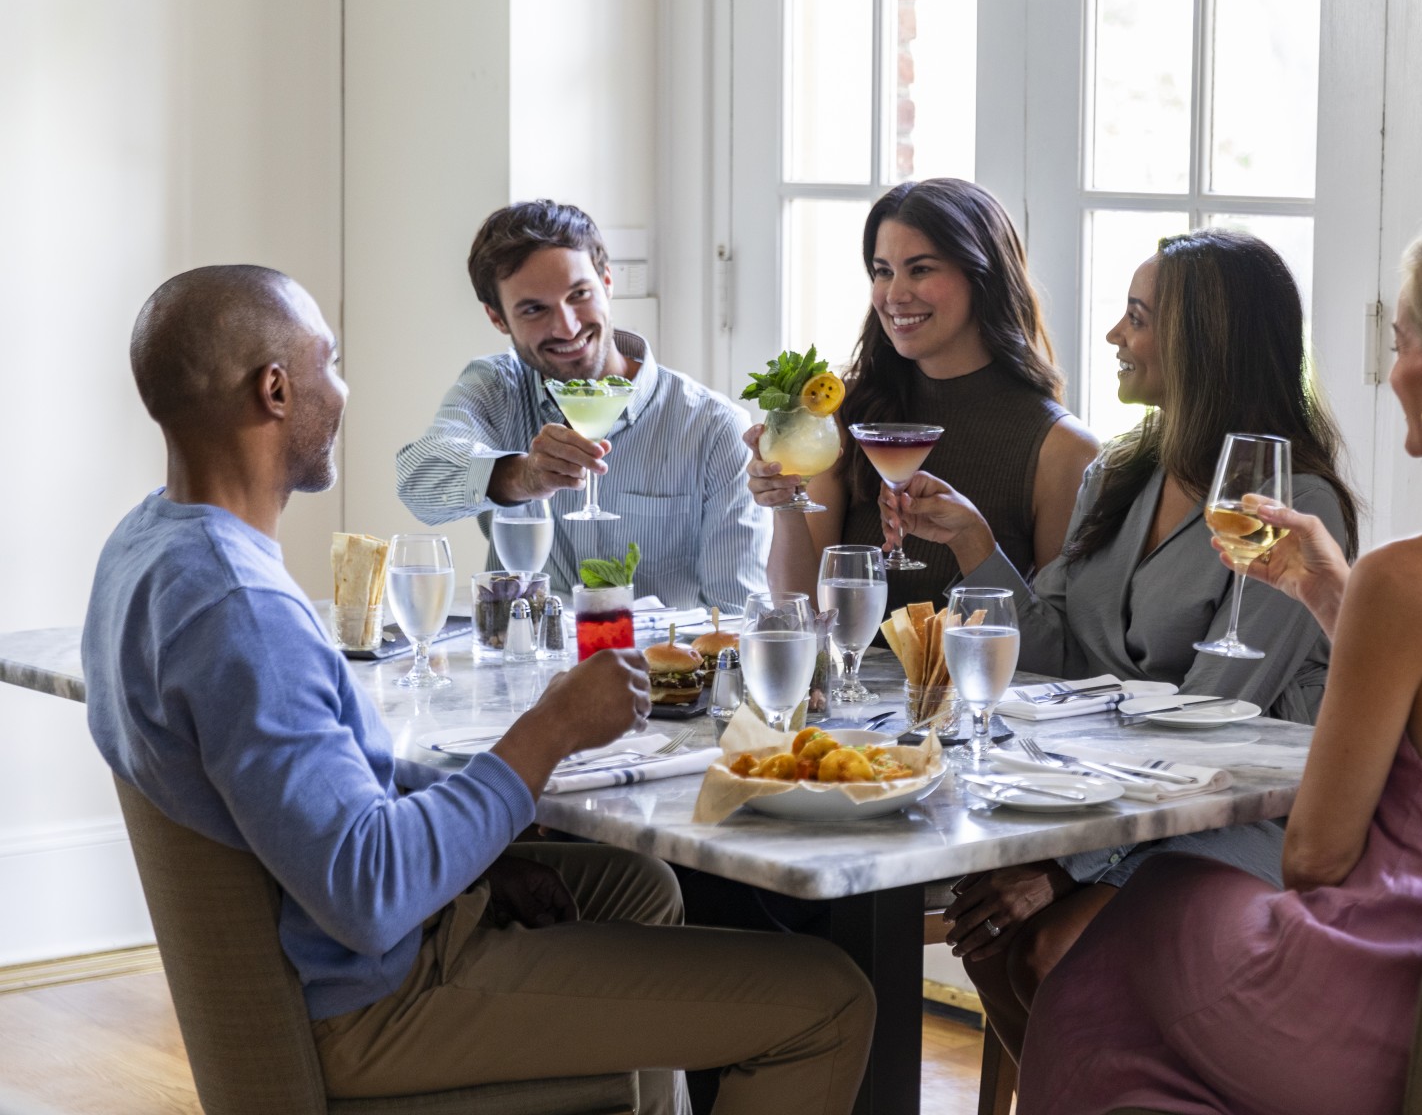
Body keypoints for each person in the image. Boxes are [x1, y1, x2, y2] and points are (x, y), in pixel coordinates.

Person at [88, 266, 873, 1113]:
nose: (344, 389)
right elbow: (367, 888)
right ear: (275, 391)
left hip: (339, 945)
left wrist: (490, 855)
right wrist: (550, 730)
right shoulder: (242, 610)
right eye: (333, 361)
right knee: (828, 1002)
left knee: (639, 886)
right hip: (376, 998)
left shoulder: (150, 545)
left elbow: (324, 815)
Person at [1018, 223, 1422, 1115]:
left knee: (1121, 944)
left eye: (1404, 343)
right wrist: (1336, 600)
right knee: (1123, 1034)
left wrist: (1362, 605)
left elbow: (1316, 861)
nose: (1393, 366)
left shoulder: (1408, 583)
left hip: (1364, 1014)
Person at [883, 230, 1358, 1062]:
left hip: (1241, 807)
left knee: (1047, 940)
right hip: (1115, 792)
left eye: (1137, 319)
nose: (1114, 336)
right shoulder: (1123, 472)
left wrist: (1069, 868)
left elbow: (1222, 720)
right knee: (988, 931)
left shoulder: (1292, 504)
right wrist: (971, 543)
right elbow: (1055, 650)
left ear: (1203, 347)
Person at [747, 178, 1100, 610]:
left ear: (982, 277)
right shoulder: (846, 413)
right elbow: (797, 604)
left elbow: (1057, 642)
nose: (894, 295)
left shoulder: (1062, 449)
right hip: (846, 677)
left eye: (921, 269)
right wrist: (785, 504)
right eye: (883, 271)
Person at [398, 200, 767, 606]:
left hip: (652, 666)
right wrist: (522, 477)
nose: (567, 326)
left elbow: (736, 613)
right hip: (522, 662)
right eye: (534, 309)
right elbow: (418, 480)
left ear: (607, 282)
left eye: (579, 294)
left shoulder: (713, 428)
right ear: (498, 319)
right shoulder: (496, 388)